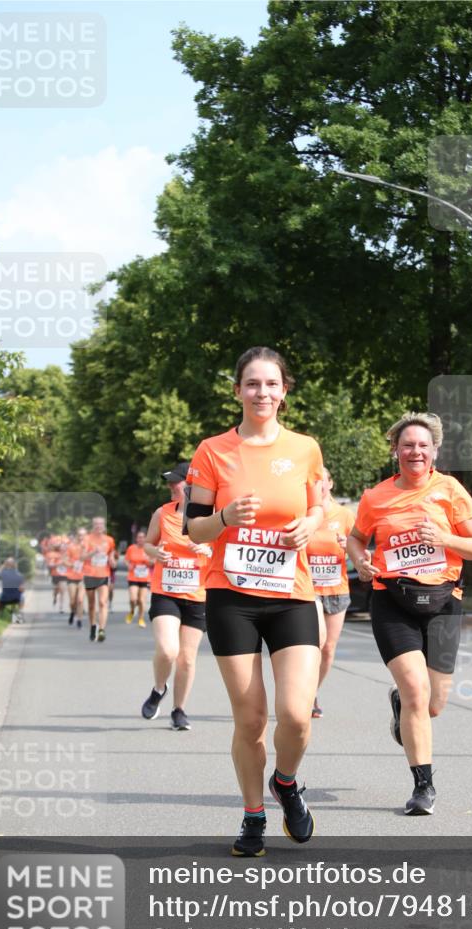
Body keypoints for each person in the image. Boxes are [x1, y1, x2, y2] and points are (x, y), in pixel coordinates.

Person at [186, 346, 324, 858]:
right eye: (252, 383)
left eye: (271, 384)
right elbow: (191, 524)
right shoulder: (213, 450)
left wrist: (310, 525)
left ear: (284, 391)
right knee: (249, 720)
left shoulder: (306, 448)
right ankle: (252, 817)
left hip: (291, 596)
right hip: (232, 596)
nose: (261, 392)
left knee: (296, 714)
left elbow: (316, 509)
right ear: (238, 390)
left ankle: (285, 782)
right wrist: (224, 519)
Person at [347, 412, 472, 817]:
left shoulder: (451, 490)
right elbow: (357, 540)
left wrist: (443, 538)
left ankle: (400, 709)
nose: (415, 452)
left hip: (443, 602)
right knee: (415, 690)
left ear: (435, 451)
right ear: (396, 451)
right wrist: (360, 562)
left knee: (434, 703)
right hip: (392, 599)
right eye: (407, 445)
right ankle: (423, 786)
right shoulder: (376, 497)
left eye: (423, 445)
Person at [141, 465, 211, 730]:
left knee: (187, 658)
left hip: (198, 594)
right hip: (166, 592)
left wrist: (206, 549)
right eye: (170, 484)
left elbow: (224, 553)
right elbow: (148, 543)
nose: (171, 487)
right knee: (168, 650)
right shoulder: (162, 513)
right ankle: (159, 688)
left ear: (191, 486)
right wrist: (155, 553)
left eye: (176, 483)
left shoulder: (211, 517)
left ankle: (179, 710)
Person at [306, 467, 355, 718]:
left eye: (322, 480)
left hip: (337, 589)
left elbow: (361, 551)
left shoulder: (345, 515)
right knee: (317, 642)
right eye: (314, 482)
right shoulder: (304, 513)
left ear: (331, 483)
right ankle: (302, 694)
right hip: (308, 590)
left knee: (328, 649)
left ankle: (311, 692)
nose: (319, 485)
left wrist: (351, 546)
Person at [82, 517, 117, 642]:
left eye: (101, 524)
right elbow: (82, 556)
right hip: (90, 575)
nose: (98, 526)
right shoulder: (87, 539)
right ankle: (93, 626)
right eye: (96, 524)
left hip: (103, 574)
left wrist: (113, 561)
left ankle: (102, 629)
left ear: (104, 526)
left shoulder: (109, 540)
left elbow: (111, 555)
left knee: (102, 602)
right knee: (91, 604)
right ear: (93, 525)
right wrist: (93, 552)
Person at [125, 529, 152, 627]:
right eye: (139, 537)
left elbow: (153, 562)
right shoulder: (131, 548)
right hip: (133, 577)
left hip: (145, 578)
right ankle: (132, 611)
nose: (141, 539)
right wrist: (128, 565)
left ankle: (141, 618)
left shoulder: (148, 549)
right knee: (133, 599)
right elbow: (126, 560)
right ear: (136, 539)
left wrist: (148, 561)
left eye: (142, 537)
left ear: (145, 538)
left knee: (141, 600)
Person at [66, 527, 87, 628]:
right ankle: (72, 612)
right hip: (72, 576)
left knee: (80, 600)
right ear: (76, 536)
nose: (81, 537)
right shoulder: (71, 547)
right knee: (72, 601)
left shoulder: (88, 547)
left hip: (83, 577)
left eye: (83, 535)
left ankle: (79, 620)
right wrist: (71, 565)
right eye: (79, 535)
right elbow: (64, 560)